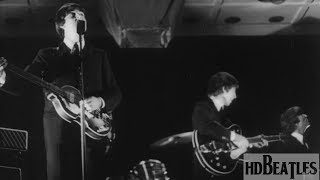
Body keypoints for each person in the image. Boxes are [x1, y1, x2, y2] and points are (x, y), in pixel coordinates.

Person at [0, 3, 121, 180]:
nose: (80, 16)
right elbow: (22, 85)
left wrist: (100, 101)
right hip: (58, 128)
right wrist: (2, 77)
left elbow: (115, 92)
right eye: (74, 15)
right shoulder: (47, 55)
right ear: (61, 24)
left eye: (82, 14)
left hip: (93, 128)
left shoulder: (98, 56)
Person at [191, 72, 267, 180]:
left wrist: (252, 142)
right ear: (224, 89)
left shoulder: (223, 117)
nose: (235, 96)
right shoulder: (201, 107)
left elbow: (228, 143)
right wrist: (237, 137)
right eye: (233, 91)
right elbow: (207, 126)